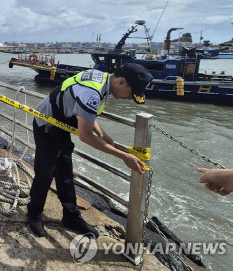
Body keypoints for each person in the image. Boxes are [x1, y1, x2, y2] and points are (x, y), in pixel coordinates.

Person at [27, 63, 153, 239]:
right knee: (45, 172)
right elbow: (85, 136)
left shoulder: (101, 78)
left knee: (65, 172)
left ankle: (71, 217)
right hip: (47, 123)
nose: (128, 99)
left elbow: (85, 111)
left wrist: (101, 132)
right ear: (122, 82)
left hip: (62, 122)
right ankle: (33, 213)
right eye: (131, 94)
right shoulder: (91, 93)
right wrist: (124, 156)